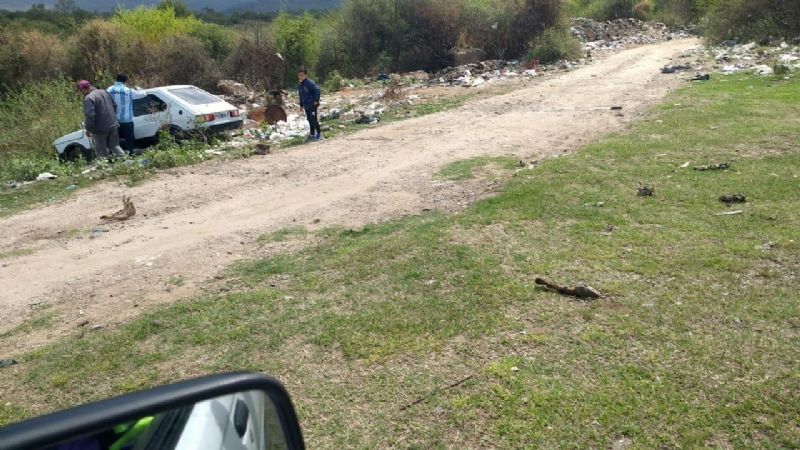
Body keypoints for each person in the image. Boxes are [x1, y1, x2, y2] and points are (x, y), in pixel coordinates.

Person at [77, 80, 126, 160]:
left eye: (81, 90)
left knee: (101, 151)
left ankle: (104, 168)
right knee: (115, 146)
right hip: (113, 124)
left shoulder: (89, 98)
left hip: (100, 129)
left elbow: (90, 115)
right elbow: (115, 105)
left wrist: (89, 129)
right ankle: (125, 161)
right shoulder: (104, 92)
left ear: (83, 89)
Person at [107, 74, 147, 155]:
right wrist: (139, 88)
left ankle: (116, 157)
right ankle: (130, 154)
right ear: (125, 81)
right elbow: (143, 94)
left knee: (114, 141)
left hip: (114, 121)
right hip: (127, 120)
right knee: (129, 140)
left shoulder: (109, 90)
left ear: (116, 80)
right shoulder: (129, 90)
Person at [297, 68, 322, 141]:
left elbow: (317, 90)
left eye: (302, 75)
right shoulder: (300, 85)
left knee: (314, 119)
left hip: (312, 104)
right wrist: (301, 105)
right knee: (309, 119)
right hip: (306, 105)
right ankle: (312, 134)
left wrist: (316, 100)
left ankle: (319, 134)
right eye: (299, 75)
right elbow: (301, 96)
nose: (300, 77)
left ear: (305, 75)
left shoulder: (309, 83)